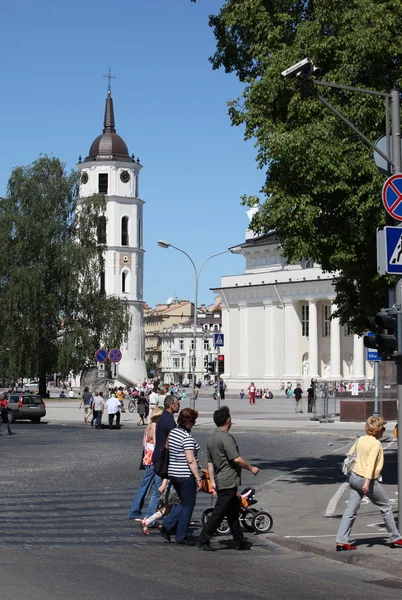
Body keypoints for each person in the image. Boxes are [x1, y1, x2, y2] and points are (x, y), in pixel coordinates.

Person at [197, 405, 259, 551]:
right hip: (228, 480)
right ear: (228, 420)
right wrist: (251, 468)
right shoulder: (226, 438)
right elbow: (236, 459)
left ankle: (239, 540)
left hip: (220, 479)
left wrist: (212, 481)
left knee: (232, 512)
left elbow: (210, 463)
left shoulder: (212, 438)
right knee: (219, 512)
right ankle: (203, 538)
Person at [336, 416, 402, 551]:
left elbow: (350, 454)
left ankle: (341, 540)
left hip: (354, 477)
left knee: (351, 509)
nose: (384, 430)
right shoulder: (375, 444)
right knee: (386, 506)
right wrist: (367, 483)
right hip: (366, 479)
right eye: (383, 428)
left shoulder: (360, 439)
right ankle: (395, 538)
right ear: (378, 430)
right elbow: (370, 464)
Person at [158, 407, 201, 545]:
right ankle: (181, 536)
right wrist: (198, 477)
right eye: (193, 421)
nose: (194, 424)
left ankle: (167, 525)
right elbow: (190, 460)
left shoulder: (174, 432)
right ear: (189, 422)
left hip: (173, 472)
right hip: (184, 474)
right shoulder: (186, 437)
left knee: (182, 503)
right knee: (188, 505)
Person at [128, 407, 165, 524]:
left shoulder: (148, 426)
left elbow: (144, 443)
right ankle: (145, 514)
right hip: (154, 459)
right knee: (156, 488)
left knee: (146, 485)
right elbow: (157, 443)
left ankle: (136, 511)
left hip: (147, 458)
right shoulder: (155, 427)